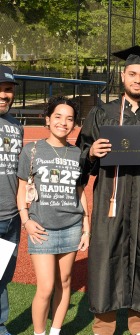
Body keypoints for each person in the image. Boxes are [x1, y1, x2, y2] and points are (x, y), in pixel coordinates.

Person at [76, 45, 140, 335]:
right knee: (105, 257)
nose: (138, 79)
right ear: (123, 75)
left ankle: (139, 325)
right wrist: (91, 152)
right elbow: (82, 155)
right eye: (133, 74)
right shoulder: (101, 113)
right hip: (110, 200)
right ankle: (103, 326)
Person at [16, 96, 90, 335]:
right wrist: (26, 220)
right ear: (47, 119)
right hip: (42, 229)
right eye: (58, 116)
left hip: (71, 226)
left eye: (69, 118)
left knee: (65, 282)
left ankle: (55, 331)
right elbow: (21, 190)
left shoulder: (78, 153)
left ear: (75, 124)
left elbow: (80, 193)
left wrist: (86, 227)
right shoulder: (32, 150)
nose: (63, 122)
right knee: (46, 287)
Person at [0, 64, 22, 335]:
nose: (4, 95)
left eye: (8, 90)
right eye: (0, 89)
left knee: (3, 276)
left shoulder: (15, 125)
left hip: (10, 214)